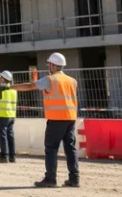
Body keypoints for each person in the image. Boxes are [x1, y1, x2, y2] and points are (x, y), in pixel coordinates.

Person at [13, 52, 79, 188]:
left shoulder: (50, 80)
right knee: (70, 149)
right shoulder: (72, 81)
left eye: (49, 64)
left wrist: (9, 87)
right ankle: (74, 178)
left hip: (56, 119)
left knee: (51, 149)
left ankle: (50, 178)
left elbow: (30, 86)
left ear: (53, 65)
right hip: (70, 119)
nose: (49, 66)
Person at [0, 70, 17, 164]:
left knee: (2, 136)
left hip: (2, 115)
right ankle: (12, 156)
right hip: (11, 115)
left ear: (3, 79)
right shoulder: (13, 89)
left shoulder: (1, 88)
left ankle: (4, 156)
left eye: (1, 78)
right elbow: (0, 86)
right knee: (10, 136)